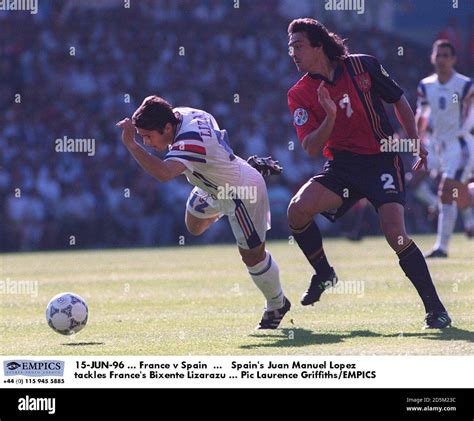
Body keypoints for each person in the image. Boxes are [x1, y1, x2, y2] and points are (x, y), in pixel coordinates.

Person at [286, 18, 451, 329]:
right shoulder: (300, 93)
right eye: (290, 47)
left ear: (319, 45)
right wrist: (330, 118)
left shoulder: (362, 66)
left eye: (298, 46)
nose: (292, 53)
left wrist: (415, 141)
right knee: (296, 211)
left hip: (381, 161)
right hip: (343, 167)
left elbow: (398, 100)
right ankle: (324, 273)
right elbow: (309, 147)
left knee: (396, 235)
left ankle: (436, 309)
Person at [117, 96, 290, 329]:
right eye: (142, 137)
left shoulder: (190, 140)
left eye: (148, 136)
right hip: (213, 185)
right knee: (194, 225)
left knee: (252, 256)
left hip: (241, 193)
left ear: (167, 127)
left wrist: (132, 145)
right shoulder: (183, 113)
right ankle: (244, 171)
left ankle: (276, 303)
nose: (146, 142)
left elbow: (164, 173)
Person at [416, 39, 474, 257]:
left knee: (445, 189)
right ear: (433, 57)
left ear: (453, 59)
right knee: (451, 195)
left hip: (461, 145)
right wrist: (417, 141)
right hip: (439, 147)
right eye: (438, 55)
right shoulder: (426, 85)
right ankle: (445, 243)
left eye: (445, 55)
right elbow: (422, 115)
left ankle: (441, 247)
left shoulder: (465, 85)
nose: (441, 59)